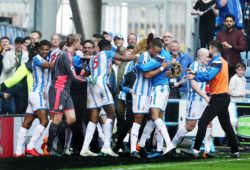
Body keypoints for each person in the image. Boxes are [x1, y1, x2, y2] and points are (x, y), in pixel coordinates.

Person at [79, 38, 136, 157]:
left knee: (93, 117)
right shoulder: (107, 53)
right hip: (100, 83)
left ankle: (84, 148)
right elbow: (125, 59)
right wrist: (138, 55)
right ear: (108, 47)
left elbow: (88, 72)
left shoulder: (93, 57)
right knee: (111, 113)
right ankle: (106, 146)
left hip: (91, 84)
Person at [184, 40, 239, 158]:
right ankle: (235, 151)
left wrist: (194, 75)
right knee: (226, 126)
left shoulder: (217, 61)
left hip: (218, 98)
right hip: (224, 97)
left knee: (203, 122)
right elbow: (211, 75)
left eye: (209, 48)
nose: (208, 51)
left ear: (213, 49)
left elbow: (209, 76)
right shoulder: (221, 61)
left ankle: (195, 151)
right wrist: (195, 73)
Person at [164, 48, 214, 158]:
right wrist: (205, 96)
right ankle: (171, 146)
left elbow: (191, 79)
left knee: (209, 123)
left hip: (203, 101)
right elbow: (194, 85)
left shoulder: (204, 67)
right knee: (190, 126)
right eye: (207, 56)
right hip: (195, 100)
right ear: (200, 56)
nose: (209, 59)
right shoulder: (194, 65)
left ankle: (207, 151)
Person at [47, 34, 87, 155]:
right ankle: (49, 147)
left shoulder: (64, 53)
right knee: (57, 119)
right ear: (75, 43)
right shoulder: (66, 56)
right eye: (79, 42)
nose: (80, 45)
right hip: (59, 89)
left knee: (71, 119)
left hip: (65, 90)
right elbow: (74, 77)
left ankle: (51, 139)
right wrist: (87, 79)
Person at [14, 40, 54, 157]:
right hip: (38, 94)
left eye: (47, 49)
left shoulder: (46, 57)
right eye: (42, 49)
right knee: (44, 121)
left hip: (34, 94)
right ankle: (30, 147)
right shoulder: (37, 58)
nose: (44, 51)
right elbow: (50, 65)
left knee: (27, 122)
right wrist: (63, 57)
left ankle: (18, 152)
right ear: (38, 49)